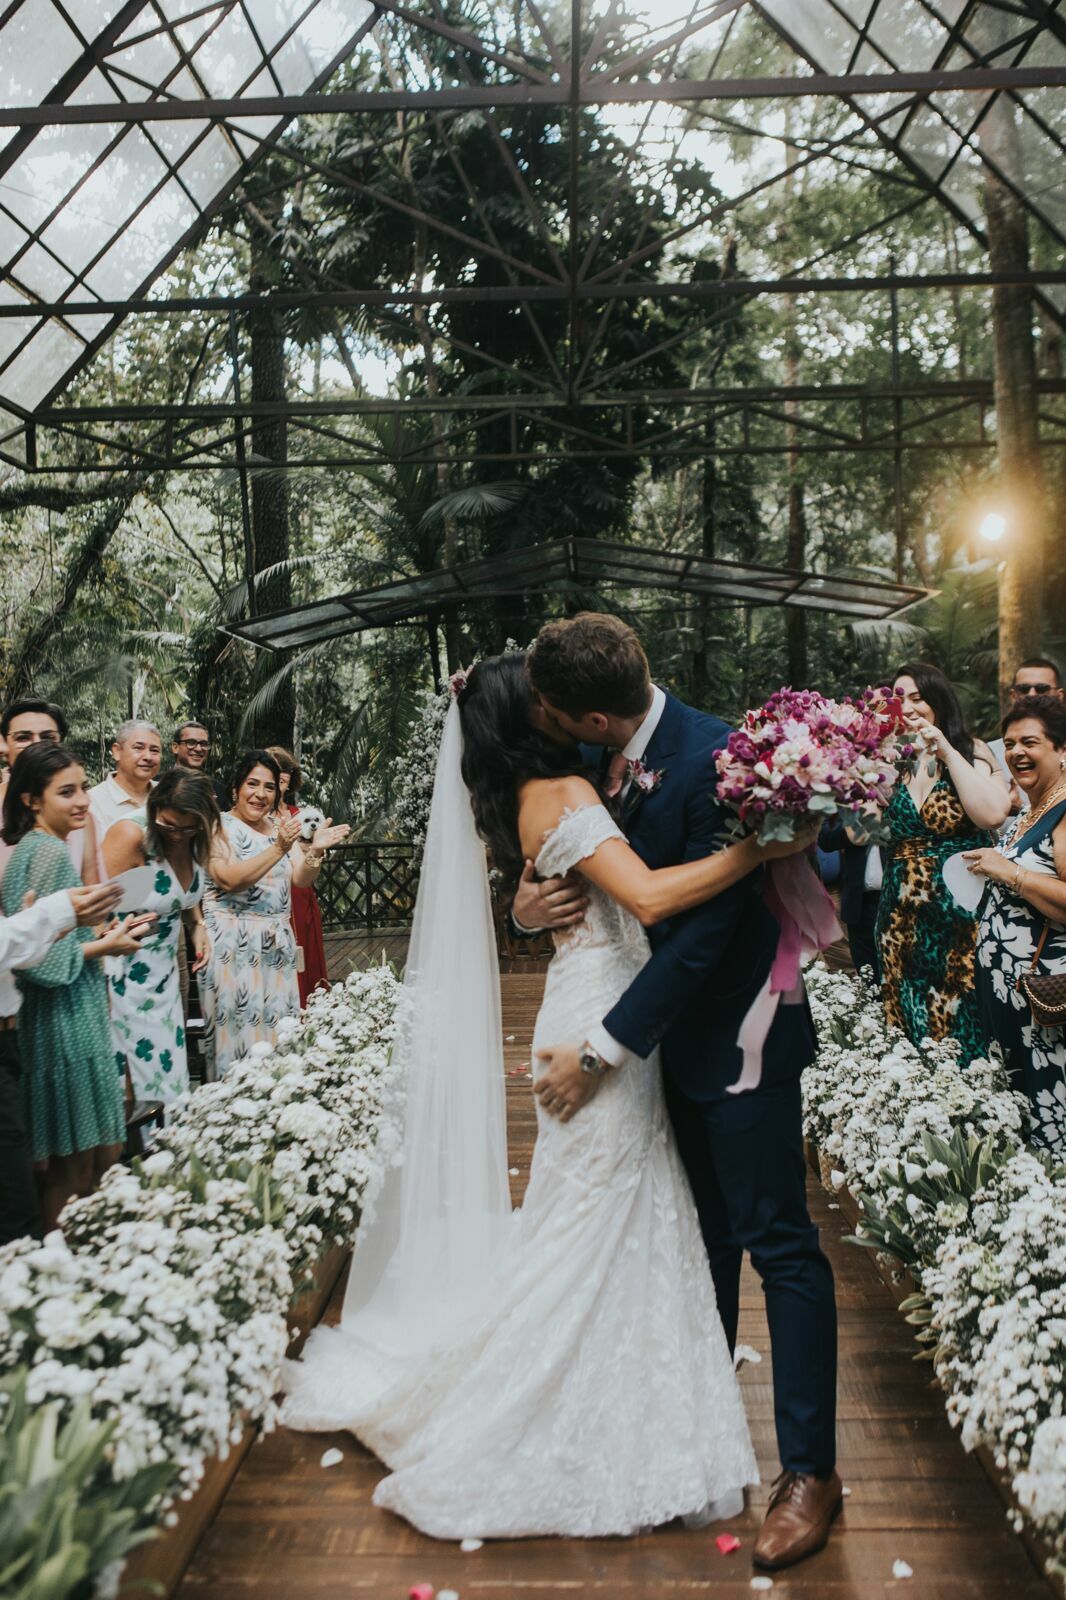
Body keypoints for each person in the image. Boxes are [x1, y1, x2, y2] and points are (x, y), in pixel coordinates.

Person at [282, 641, 820, 1561]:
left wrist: (527, 906)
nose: (547, 710)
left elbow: (594, 883)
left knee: (626, 1220)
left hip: (647, 1023)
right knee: (594, 1217)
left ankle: (681, 1419)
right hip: (599, 1027)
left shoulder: (611, 768)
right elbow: (647, 899)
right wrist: (757, 849)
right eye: (533, 702)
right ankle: (582, 1412)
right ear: (530, 723)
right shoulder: (566, 787)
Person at [518, 617, 839, 1568]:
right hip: (664, 1055)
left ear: (593, 716)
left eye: (552, 710)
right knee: (699, 1244)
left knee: (779, 1242)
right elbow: (575, 862)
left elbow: (701, 938)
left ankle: (811, 1473)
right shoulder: (594, 755)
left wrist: (603, 1050)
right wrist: (525, 904)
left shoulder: (719, 763)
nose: (543, 722)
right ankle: (694, 1439)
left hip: (740, 1037)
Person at [1, 745, 152, 1230]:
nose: (83, 800)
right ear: (31, 800)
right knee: (74, 1171)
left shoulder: (38, 848)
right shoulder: (46, 852)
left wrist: (100, 934)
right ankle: (59, 1261)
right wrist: (106, 946)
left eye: (84, 787)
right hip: (62, 1020)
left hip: (66, 1014)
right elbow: (38, 962)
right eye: (66, 792)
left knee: (93, 1159)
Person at [875, 662, 1009, 1064]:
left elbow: (992, 814)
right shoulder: (892, 762)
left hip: (961, 915)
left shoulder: (970, 749)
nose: (908, 708)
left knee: (967, 1017)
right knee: (908, 1022)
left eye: (918, 698)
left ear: (938, 700)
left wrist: (946, 750)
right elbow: (857, 832)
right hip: (899, 916)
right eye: (899, 700)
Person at [200, 751, 348, 1076]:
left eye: (269, 787)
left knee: (281, 1034)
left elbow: (301, 879)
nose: (260, 794)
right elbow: (229, 879)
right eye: (252, 784)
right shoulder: (218, 825)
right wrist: (278, 847)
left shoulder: (280, 828)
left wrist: (316, 851)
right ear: (236, 788)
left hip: (277, 947)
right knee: (238, 1040)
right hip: (233, 948)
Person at [966, 695, 1066, 1153]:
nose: (1016, 753)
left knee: (1050, 1112)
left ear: (1061, 749)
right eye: (1009, 744)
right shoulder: (1031, 809)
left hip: (1045, 1001)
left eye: (1030, 742)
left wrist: (1010, 872)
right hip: (1010, 1000)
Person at [0, 877, 124, 1244]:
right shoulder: (45, 853)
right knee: (18, 1212)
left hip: (11, 1035)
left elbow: (15, 955)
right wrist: (53, 915)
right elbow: (39, 967)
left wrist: (42, 928)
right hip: (55, 1025)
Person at [102, 769, 220, 1111]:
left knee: (170, 1078)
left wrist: (197, 924)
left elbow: (180, 895)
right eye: (169, 826)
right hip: (125, 978)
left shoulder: (196, 837)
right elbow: (96, 913)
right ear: (155, 808)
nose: (178, 836)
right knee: (140, 1085)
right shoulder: (131, 834)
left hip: (165, 977)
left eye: (188, 828)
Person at [0, 698, 99, 885]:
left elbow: (90, 886)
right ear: (4, 745)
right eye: (23, 737)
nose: (37, 745)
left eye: (48, 737)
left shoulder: (81, 817)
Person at [266, 746, 329, 1004]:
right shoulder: (256, 814)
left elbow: (316, 852)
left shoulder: (301, 815)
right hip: (271, 894)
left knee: (307, 954)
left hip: (300, 892)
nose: (281, 774)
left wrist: (315, 850)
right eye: (274, 768)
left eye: (286, 769)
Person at [987, 659, 1065, 815]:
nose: (1032, 694)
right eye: (1024, 689)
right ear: (1013, 695)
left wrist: (1022, 809)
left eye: (1041, 688)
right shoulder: (988, 752)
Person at [818, 819, 881, 978]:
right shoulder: (850, 806)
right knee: (867, 974)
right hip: (859, 902)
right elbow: (826, 838)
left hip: (898, 897)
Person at [88, 719, 162, 842]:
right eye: (138, 748)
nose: (148, 757)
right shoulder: (92, 803)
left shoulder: (167, 794)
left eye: (154, 750)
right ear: (117, 751)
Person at [172, 720, 229, 810]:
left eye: (203, 744)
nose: (198, 749)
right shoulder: (156, 785)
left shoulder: (219, 790)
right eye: (191, 742)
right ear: (175, 747)